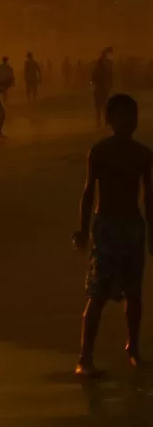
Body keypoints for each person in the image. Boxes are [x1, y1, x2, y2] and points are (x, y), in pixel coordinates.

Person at [73, 93, 153, 377]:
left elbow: (149, 196)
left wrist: (152, 232)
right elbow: (88, 193)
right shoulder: (100, 151)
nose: (126, 121)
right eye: (120, 116)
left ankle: (133, 347)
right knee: (98, 292)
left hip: (133, 226)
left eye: (131, 116)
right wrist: (82, 230)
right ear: (110, 120)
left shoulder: (143, 154)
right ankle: (85, 357)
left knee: (134, 292)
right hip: (106, 227)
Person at [93, 49, 115, 128]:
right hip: (103, 89)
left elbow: (93, 80)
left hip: (100, 89)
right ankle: (104, 121)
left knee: (99, 107)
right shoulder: (104, 70)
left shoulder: (98, 70)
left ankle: (101, 122)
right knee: (103, 106)